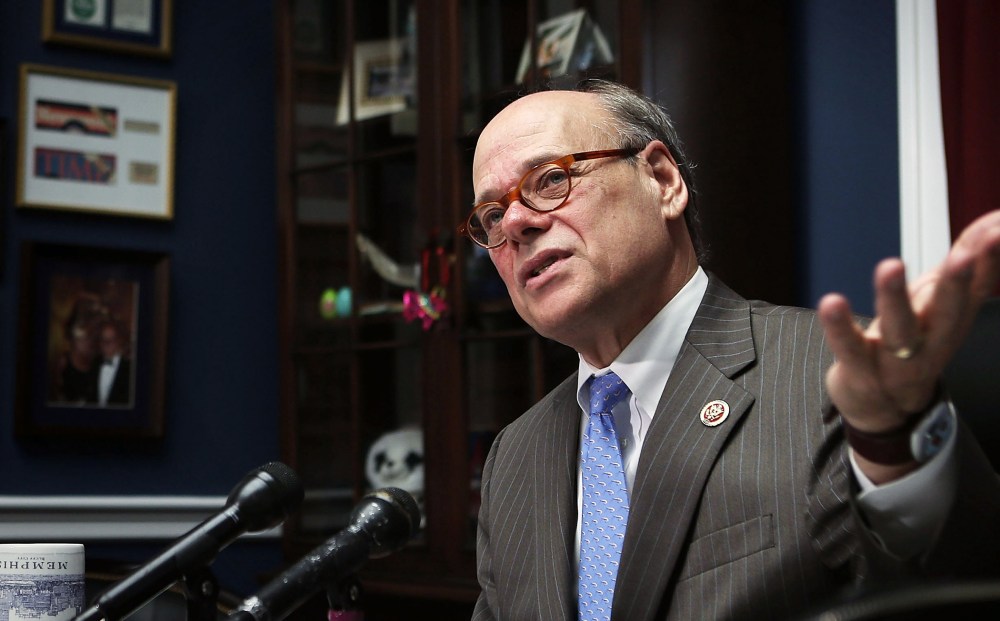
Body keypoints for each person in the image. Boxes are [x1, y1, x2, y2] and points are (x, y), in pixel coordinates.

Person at [461, 79, 1000, 621]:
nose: (515, 223)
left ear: (663, 180)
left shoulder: (835, 376)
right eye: (490, 215)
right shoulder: (515, 456)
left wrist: (891, 445)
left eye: (550, 179)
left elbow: (949, 583)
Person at [91, 319, 133, 407]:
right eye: (103, 340)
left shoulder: (130, 369)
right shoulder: (93, 365)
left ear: (119, 341)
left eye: (111, 340)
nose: (106, 344)